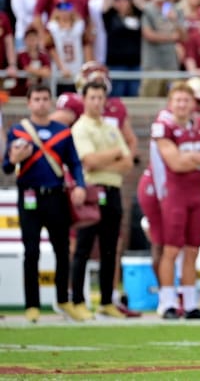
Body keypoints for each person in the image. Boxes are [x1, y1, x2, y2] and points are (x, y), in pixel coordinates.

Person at [2, 84, 86, 323]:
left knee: (62, 249)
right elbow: (7, 167)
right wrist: (15, 158)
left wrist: (79, 184)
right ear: (29, 103)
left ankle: (63, 299)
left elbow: (74, 162)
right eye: (36, 99)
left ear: (50, 102)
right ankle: (32, 304)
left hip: (56, 195)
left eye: (44, 99)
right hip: (29, 195)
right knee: (31, 251)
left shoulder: (62, 131)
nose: (40, 103)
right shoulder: (19, 131)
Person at [152, 81, 200, 319]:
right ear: (170, 104)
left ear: (193, 103)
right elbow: (175, 163)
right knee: (171, 250)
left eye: (186, 100)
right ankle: (168, 303)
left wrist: (190, 155)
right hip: (174, 195)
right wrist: (199, 158)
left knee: (193, 250)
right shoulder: (163, 126)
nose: (182, 104)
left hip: (196, 194)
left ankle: (190, 304)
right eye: (178, 100)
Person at [70, 80, 133, 320]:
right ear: (84, 100)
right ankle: (77, 300)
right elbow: (89, 161)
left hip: (113, 190)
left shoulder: (110, 126)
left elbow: (128, 161)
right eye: (92, 97)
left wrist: (109, 158)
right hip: (91, 191)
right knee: (83, 248)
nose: (97, 102)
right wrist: (114, 154)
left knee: (110, 248)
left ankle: (107, 300)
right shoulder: (80, 128)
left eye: (100, 97)